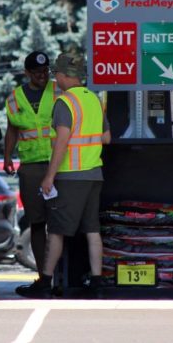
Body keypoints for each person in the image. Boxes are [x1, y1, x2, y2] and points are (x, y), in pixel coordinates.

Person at [16, 52, 111, 298]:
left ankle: (45, 282)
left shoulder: (65, 103)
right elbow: (107, 138)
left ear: (66, 75)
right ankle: (97, 282)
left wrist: (49, 176)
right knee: (92, 230)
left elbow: (62, 143)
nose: (54, 78)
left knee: (56, 231)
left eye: (56, 73)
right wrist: (88, 142)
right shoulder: (94, 99)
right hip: (94, 174)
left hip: (71, 176)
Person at [4, 51, 61, 283]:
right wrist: (7, 157)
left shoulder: (59, 90)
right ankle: (43, 275)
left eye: (45, 71)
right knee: (37, 222)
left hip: (59, 164)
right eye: (37, 73)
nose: (42, 76)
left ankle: (62, 276)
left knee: (61, 222)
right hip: (31, 167)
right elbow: (12, 129)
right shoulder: (15, 98)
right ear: (27, 73)